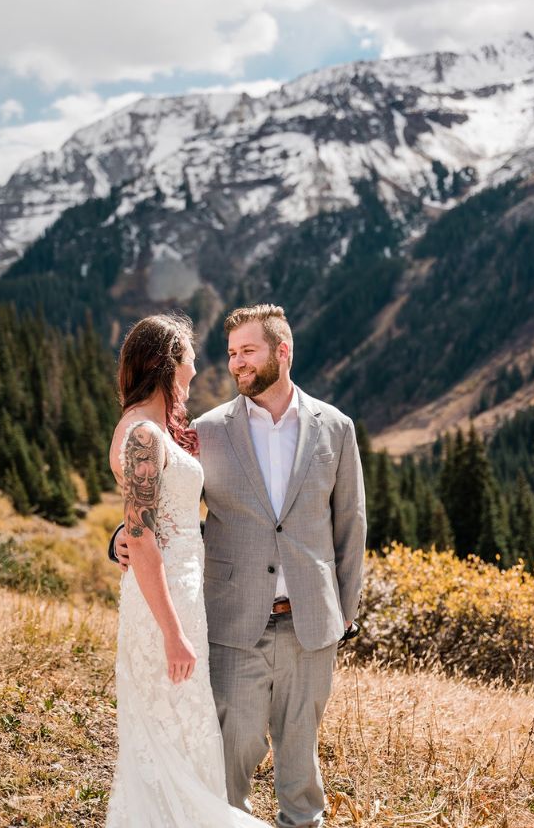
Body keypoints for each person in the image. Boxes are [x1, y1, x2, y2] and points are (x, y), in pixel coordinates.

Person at [115, 304, 367, 828]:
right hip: (232, 625)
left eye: (248, 351)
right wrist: (121, 536)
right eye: (231, 354)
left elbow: (351, 524)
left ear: (283, 351)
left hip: (312, 625)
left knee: (301, 768)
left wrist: (345, 609)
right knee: (228, 765)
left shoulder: (336, 428)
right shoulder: (205, 431)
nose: (236, 364)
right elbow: (163, 505)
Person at [106, 314, 269, 826]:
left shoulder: (151, 430)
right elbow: (142, 533)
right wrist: (173, 633)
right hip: (163, 608)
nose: (196, 371)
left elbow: (143, 523)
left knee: (181, 730)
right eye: (190, 359)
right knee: (167, 733)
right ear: (168, 361)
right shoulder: (142, 436)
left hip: (181, 594)